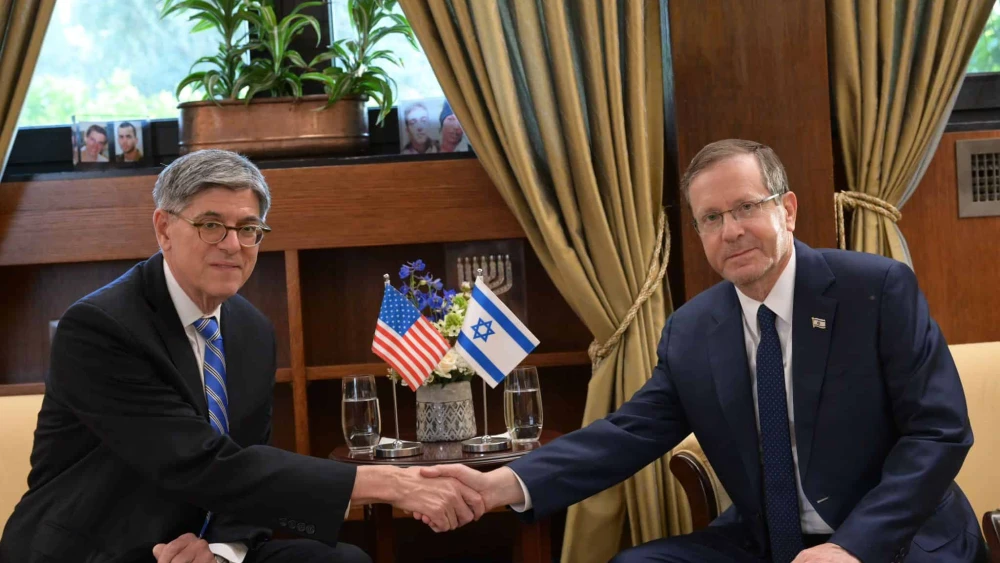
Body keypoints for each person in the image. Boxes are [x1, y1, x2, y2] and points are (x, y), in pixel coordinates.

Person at [418, 139, 985, 563]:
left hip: (895, 538)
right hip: (768, 541)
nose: (730, 231)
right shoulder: (694, 329)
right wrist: (503, 484)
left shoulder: (875, 290)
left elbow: (939, 432)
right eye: (711, 218)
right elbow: (624, 436)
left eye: (745, 208)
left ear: (786, 210)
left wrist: (853, 547)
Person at [0, 150, 484, 563]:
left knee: (341, 559)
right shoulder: (102, 328)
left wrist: (220, 551)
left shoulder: (252, 331)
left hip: (199, 544)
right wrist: (387, 484)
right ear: (164, 228)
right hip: (98, 548)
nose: (233, 245)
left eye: (248, 228)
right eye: (212, 225)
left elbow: (244, 466)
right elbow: (203, 464)